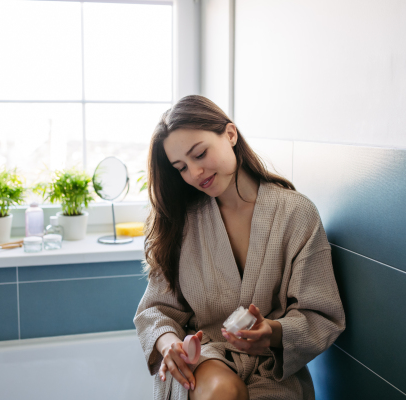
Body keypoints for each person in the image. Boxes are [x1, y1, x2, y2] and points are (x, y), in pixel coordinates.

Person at [134, 95, 345, 400]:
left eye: (200, 154)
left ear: (230, 134)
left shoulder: (296, 214)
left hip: (273, 372)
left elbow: (320, 314)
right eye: (181, 167)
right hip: (202, 361)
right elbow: (155, 310)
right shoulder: (182, 223)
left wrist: (271, 332)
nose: (194, 173)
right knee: (221, 391)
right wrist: (169, 345)